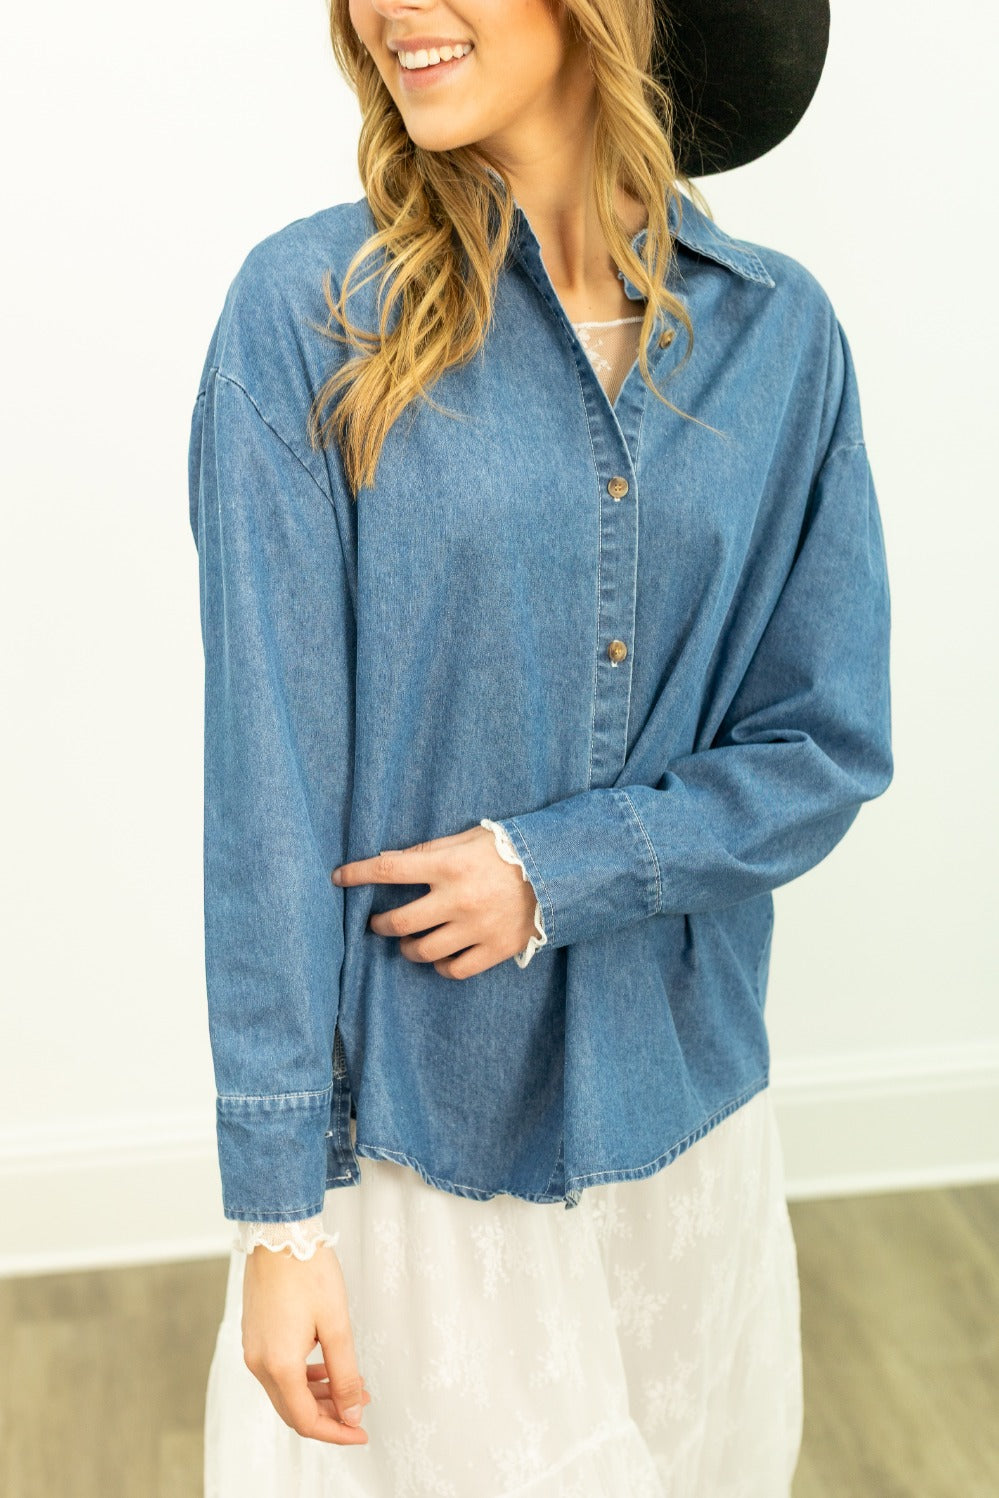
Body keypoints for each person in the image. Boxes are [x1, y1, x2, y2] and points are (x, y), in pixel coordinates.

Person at [189, 1, 892, 1493]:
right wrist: (279, 1218)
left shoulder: (783, 339)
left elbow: (823, 743)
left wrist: (556, 869)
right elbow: (267, 792)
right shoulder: (307, 317)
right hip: (421, 1149)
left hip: (688, 1129)